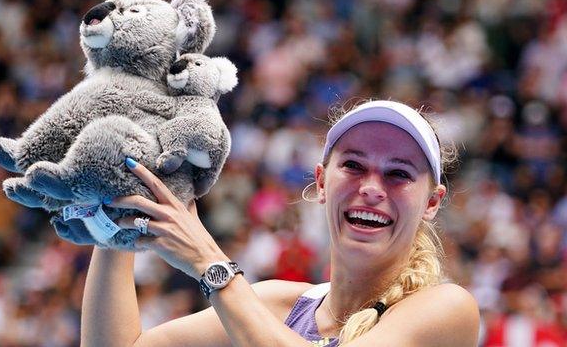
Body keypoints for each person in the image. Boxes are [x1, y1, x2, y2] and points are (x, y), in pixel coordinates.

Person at [80, 100, 480, 346]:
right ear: (322, 182)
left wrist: (210, 264)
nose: (372, 188)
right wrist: (120, 211)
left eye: (398, 174)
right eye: (354, 166)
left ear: (431, 203)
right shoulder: (274, 305)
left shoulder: (447, 309)